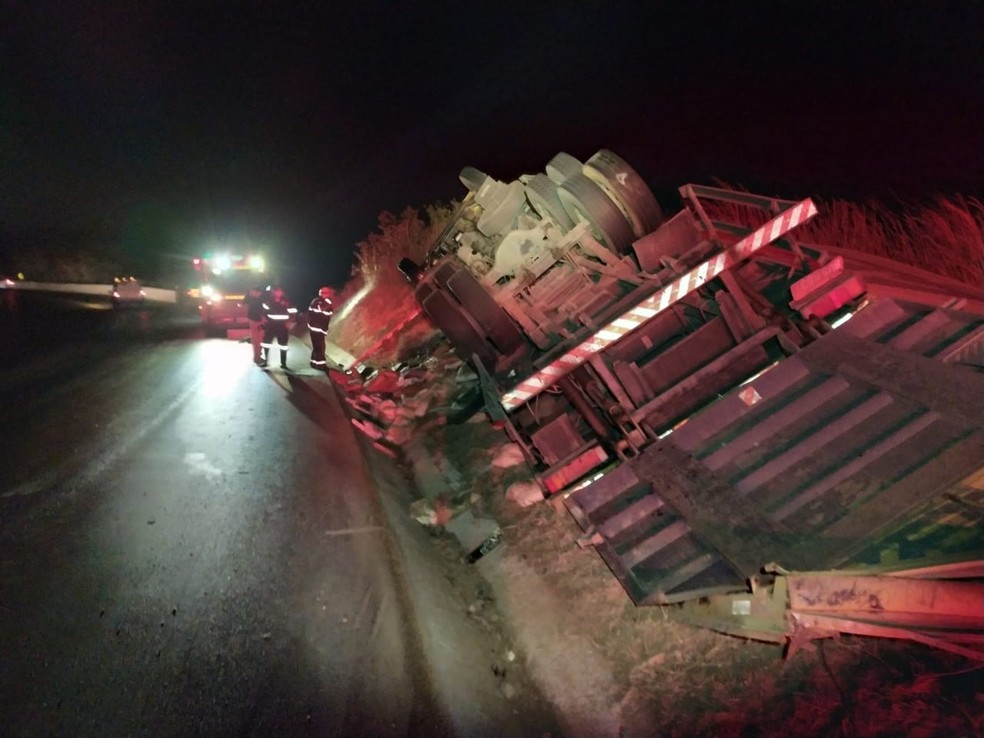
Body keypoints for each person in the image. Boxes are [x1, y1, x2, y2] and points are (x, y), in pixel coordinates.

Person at [259, 286, 297, 369]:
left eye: (280, 291)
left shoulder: (287, 301)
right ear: (274, 292)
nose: (278, 293)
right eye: (276, 291)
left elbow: (293, 312)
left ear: (282, 292)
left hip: (282, 326)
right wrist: (263, 320)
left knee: (283, 345)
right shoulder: (268, 301)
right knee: (266, 343)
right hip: (270, 325)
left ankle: (283, 363)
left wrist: (290, 322)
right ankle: (265, 362)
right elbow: (263, 313)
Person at [306, 286, 335, 370]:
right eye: (327, 294)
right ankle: (320, 365)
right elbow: (321, 310)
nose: (328, 295)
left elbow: (328, 315)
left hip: (319, 328)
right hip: (316, 328)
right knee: (320, 347)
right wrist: (328, 303)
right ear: (322, 294)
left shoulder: (323, 302)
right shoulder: (317, 302)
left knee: (317, 346)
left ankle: (314, 362)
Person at [245, 281, 270, 365]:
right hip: (256, 321)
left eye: (257, 292)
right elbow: (256, 312)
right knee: (257, 340)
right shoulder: (253, 300)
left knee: (259, 340)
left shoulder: (257, 300)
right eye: (255, 292)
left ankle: (258, 356)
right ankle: (257, 357)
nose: (257, 293)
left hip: (259, 322)